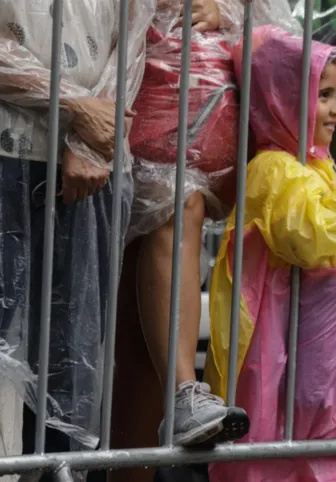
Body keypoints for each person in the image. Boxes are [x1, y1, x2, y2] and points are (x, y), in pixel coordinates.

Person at [204, 25, 336, 482]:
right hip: (281, 350)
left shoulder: (315, 164)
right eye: (323, 95)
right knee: (276, 447)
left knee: (322, 447)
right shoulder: (274, 167)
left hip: (322, 352)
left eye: (335, 95)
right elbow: (307, 237)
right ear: (284, 98)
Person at [0, 0, 154, 476]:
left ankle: (61, 467)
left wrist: (89, 140)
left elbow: (130, 40)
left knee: (73, 350)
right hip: (11, 147)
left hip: (97, 164)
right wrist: (74, 106)